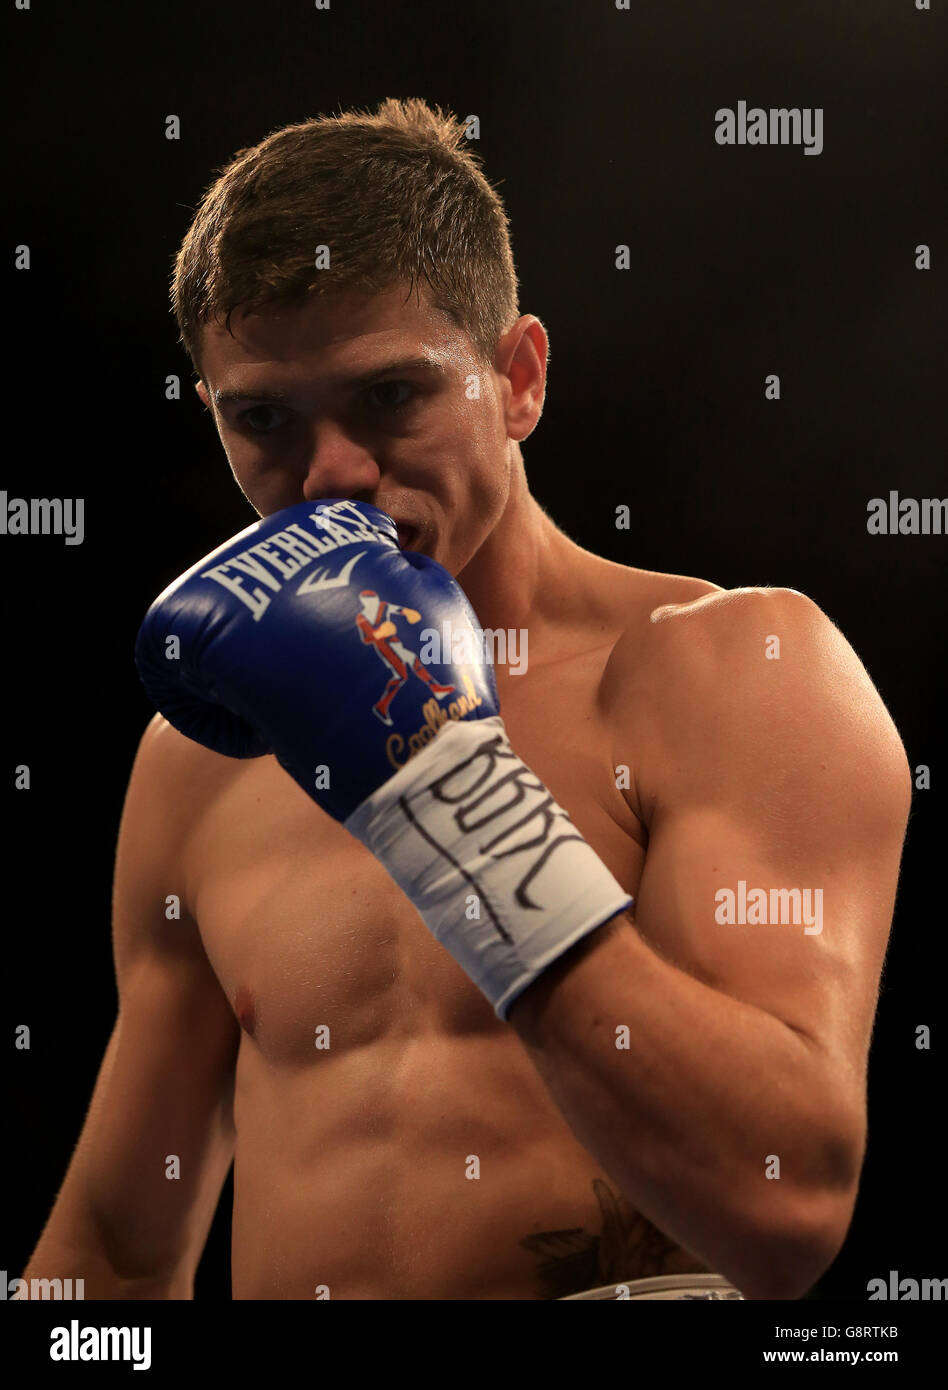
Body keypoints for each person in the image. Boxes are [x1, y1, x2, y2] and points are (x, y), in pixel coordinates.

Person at [21, 98, 910, 1302]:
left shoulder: (730, 669)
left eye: (390, 396)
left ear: (519, 378)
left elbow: (784, 1197)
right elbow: (118, 1255)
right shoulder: (201, 756)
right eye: (264, 418)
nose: (329, 472)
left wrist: (448, 793)